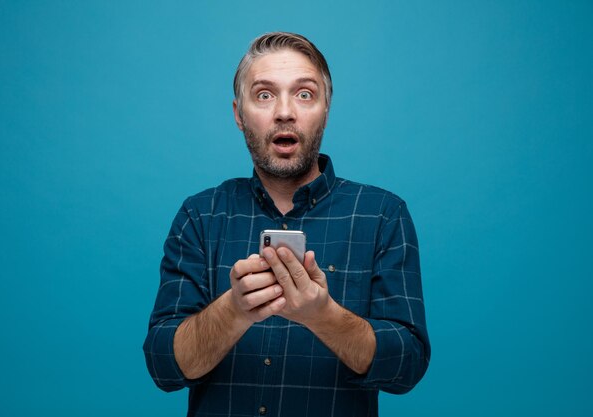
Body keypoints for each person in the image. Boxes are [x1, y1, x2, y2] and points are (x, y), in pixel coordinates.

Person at [143, 32, 430, 417]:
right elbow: (164, 366)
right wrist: (234, 310)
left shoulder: (382, 214)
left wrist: (322, 315)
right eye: (264, 94)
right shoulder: (200, 215)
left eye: (304, 94)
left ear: (326, 109)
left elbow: (406, 368)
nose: (284, 112)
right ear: (238, 114)